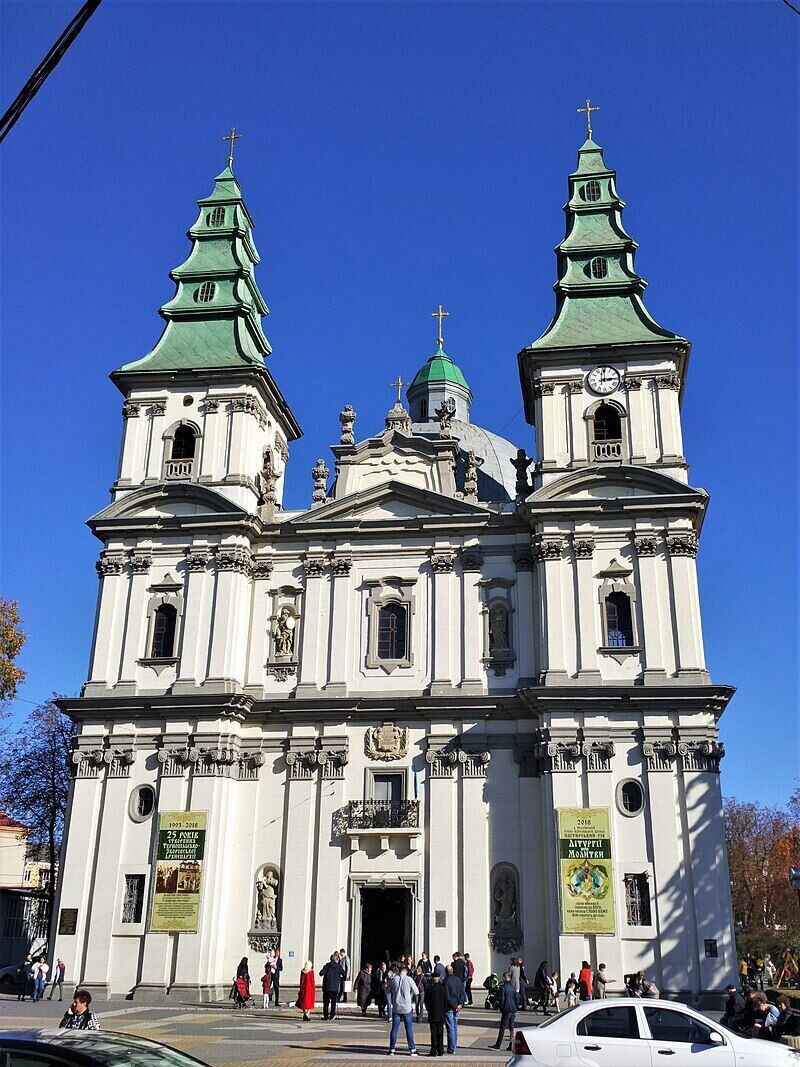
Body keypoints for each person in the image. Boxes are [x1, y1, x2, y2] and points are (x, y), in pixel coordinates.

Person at [388, 964, 419, 1056]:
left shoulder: (394, 979)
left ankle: (392, 1049)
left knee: (394, 1029)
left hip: (396, 1007)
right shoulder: (409, 979)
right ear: (406, 971)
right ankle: (412, 1049)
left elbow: (387, 991)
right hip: (407, 1008)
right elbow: (416, 991)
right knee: (409, 1029)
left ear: (399, 970)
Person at [490, 971, 518, 1052]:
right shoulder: (513, 987)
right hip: (513, 1009)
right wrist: (515, 1007)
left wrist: (501, 1008)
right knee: (511, 1028)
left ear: (504, 978)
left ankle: (498, 1045)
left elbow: (502, 999)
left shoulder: (503, 987)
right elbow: (517, 998)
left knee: (502, 1027)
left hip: (506, 1009)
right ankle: (511, 1045)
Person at [443, 963, 466, 1055]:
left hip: (450, 1007)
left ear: (446, 972)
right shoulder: (458, 980)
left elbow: (447, 997)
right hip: (457, 1005)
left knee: (450, 1027)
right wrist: (460, 1004)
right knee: (455, 1027)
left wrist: (454, 1005)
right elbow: (462, 993)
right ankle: (454, 1046)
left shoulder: (446, 982)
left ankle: (451, 1048)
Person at [425, 974, 448, 1057]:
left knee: (433, 1033)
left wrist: (429, 1010)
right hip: (441, 1014)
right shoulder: (443, 988)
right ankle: (441, 1050)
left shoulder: (429, 989)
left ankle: (433, 1050)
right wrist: (444, 1011)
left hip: (433, 1013)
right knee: (440, 1032)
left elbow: (427, 1002)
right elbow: (446, 1001)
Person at [319, 953, 346, 1020]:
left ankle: (325, 1016)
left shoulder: (326, 966)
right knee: (333, 1003)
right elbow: (344, 974)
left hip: (327, 987)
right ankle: (332, 1016)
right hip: (335, 988)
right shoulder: (339, 967)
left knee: (326, 1003)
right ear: (337, 959)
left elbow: (321, 973)